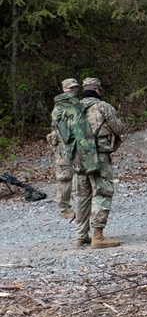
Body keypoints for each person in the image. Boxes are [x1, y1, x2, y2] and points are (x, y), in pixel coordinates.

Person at [76, 78, 126, 249]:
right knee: (102, 192)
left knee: (83, 196)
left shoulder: (73, 108)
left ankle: (81, 236)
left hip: (79, 157)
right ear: (97, 90)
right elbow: (119, 128)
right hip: (99, 155)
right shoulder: (102, 106)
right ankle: (98, 236)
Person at [49, 78, 80, 220]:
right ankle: (64, 209)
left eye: (75, 88)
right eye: (70, 88)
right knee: (65, 177)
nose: (73, 90)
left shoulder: (76, 104)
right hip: (63, 146)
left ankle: (80, 205)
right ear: (64, 89)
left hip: (76, 144)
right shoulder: (60, 107)